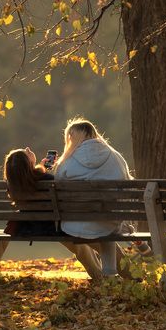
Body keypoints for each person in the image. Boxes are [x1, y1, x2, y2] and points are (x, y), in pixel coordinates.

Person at [2, 147, 102, 277]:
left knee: (82, 247)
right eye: (25, 152)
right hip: (58, 226)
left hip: (34, 227)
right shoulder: (48, 180)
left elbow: (30, 177)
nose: (28, 148)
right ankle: (110, 276)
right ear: (28, 163)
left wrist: (40, 167)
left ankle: (100, 277)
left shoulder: (14, 185)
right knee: (95, 244)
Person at [53, 118, 132, 276]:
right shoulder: (115, 157)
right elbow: (127, 184)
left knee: (101, 224)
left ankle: (109, 273)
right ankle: (110, 272)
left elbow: (57, 182)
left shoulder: (67, 161)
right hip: (109, 221)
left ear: (71, 138)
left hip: (74, 224)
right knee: (106, 225)